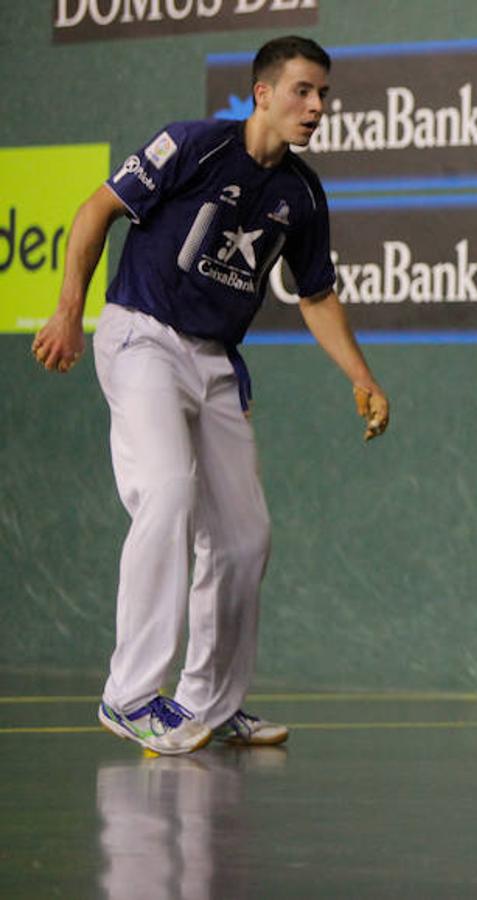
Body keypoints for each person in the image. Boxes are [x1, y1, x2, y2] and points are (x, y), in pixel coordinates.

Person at [30, 36, 390, 756]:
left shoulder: (301, 193)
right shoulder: (190, 145)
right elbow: (94, 212)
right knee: (166, 492)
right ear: (262, 93)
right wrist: (69, 308)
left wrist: (361, 376)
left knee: (243, 536)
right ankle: (129, 695)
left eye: (323, 94)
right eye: (303, 91)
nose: (317, 106)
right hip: (143, 339)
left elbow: (315, 295)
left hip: (216, 362)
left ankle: (208, 703)